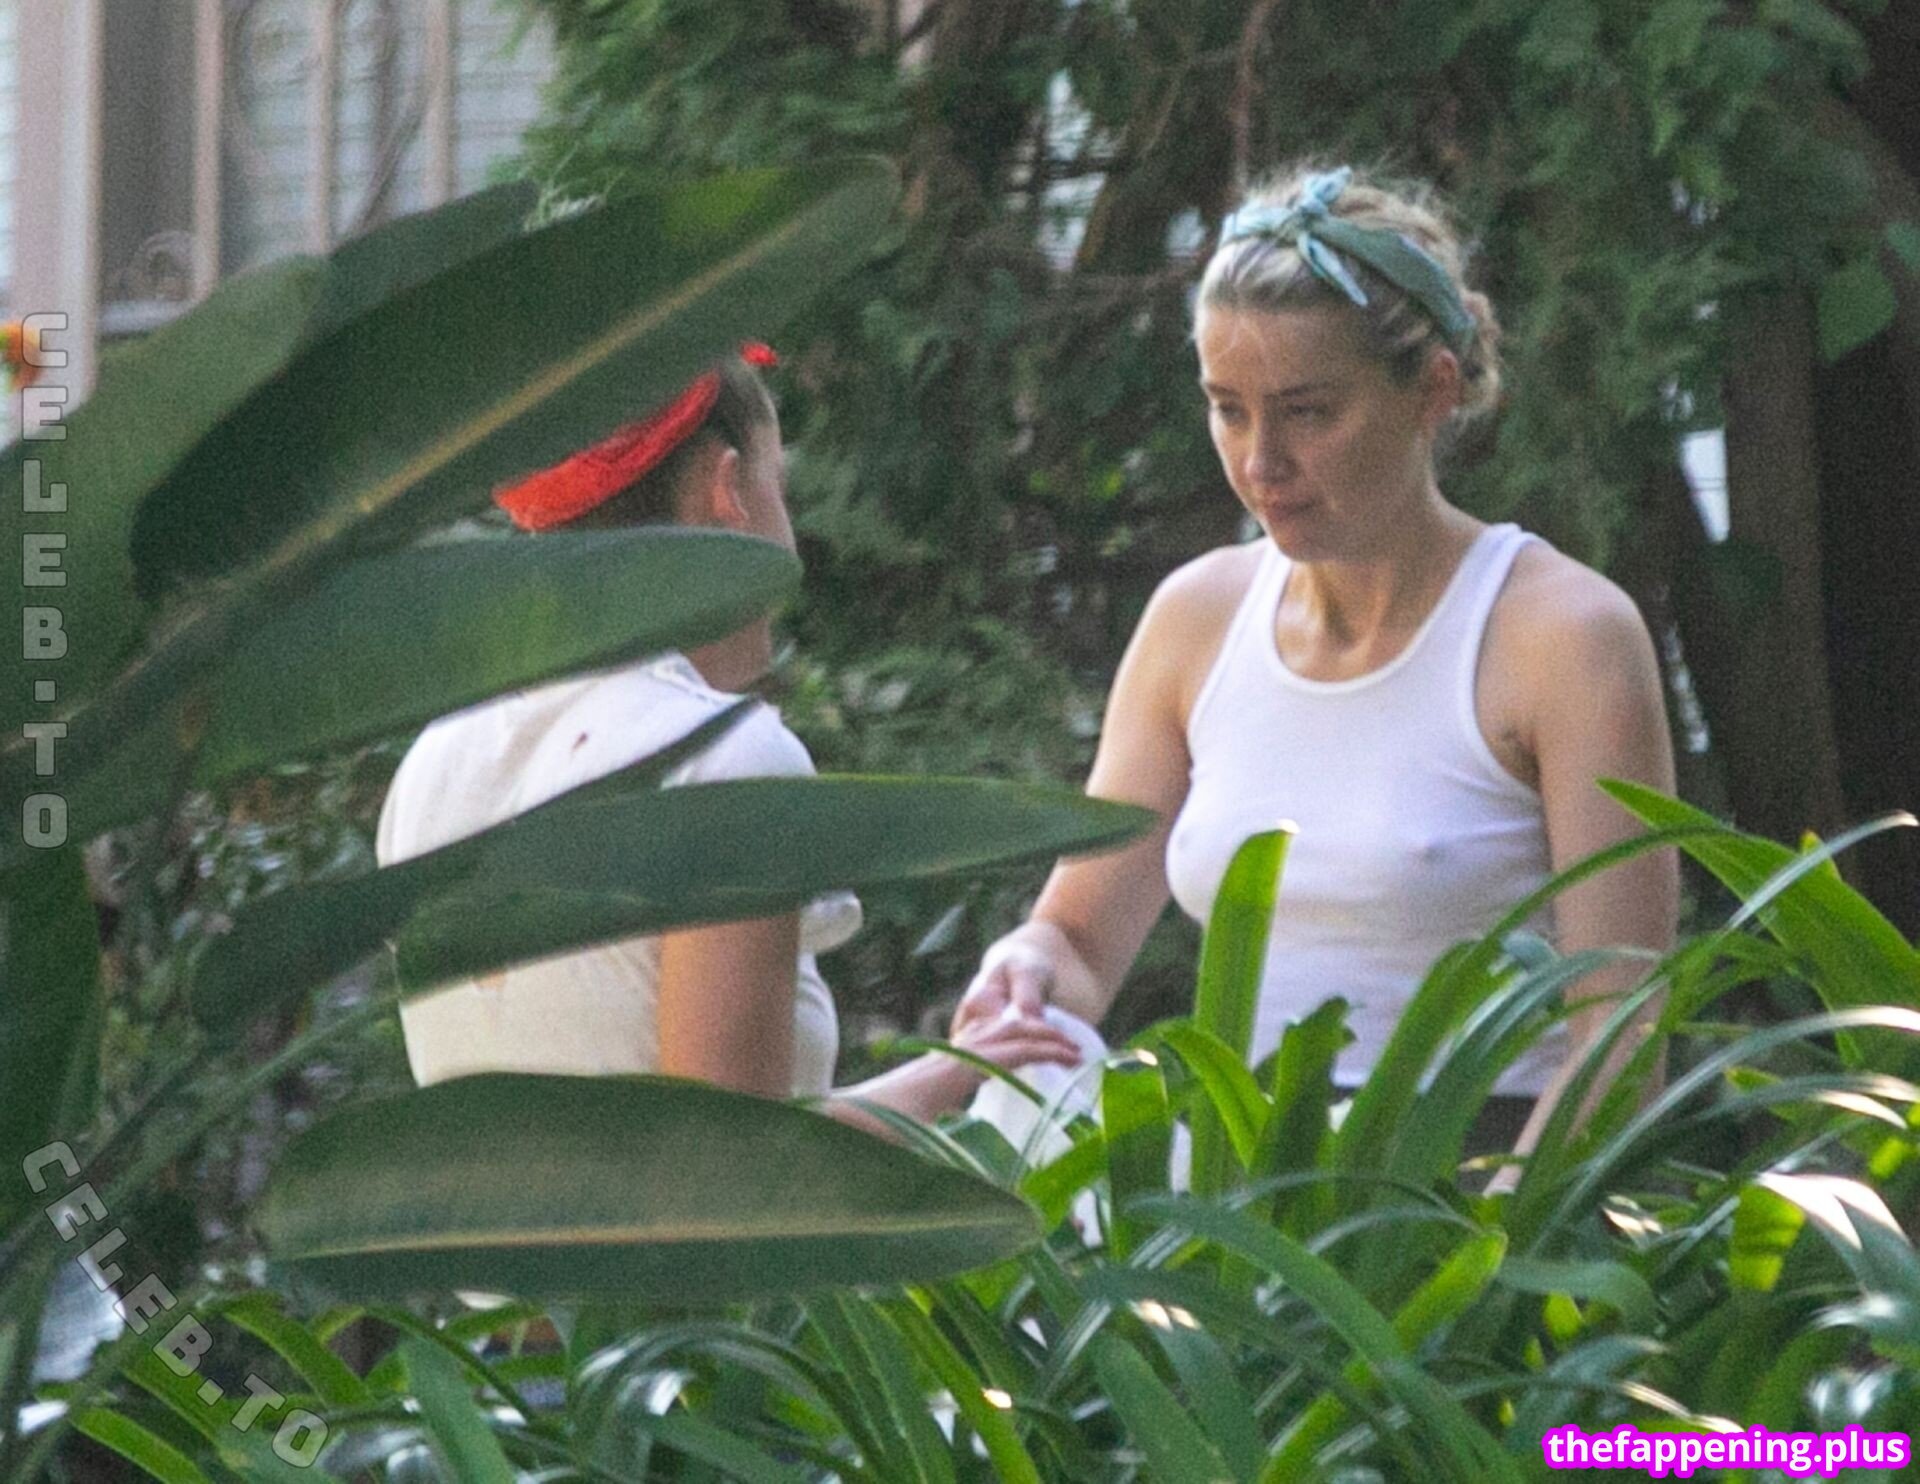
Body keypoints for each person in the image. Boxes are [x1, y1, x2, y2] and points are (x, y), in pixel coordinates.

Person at [952, 165, 1679, 1170]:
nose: (1261, 462)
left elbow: (1623, 1038)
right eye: (1228, 409)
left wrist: (1486, 1234)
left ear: (1433, 391)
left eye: (1307, 412)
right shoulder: (1196, 619)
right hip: (1239, 1192)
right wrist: (1025, 969)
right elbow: (1076, 942)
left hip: (1473, 1187)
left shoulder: (1564, 636)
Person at [377, 343, 1081, 1124]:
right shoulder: (726, 760)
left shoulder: (434, 762)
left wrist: (950, 1072)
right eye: (779, 486)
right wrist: (956, 1079)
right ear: (728, 490)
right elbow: (731, 1171)